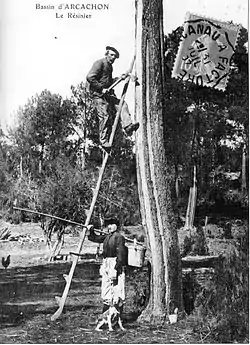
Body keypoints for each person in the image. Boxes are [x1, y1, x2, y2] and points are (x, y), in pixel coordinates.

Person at [86, 46, 139, 153]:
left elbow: (109, 83)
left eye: (115, 56)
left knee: (122, 104)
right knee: (104, 116)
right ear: (106, 54)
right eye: (111, 55)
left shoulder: (109, 67)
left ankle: (128, 126)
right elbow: (90, 77)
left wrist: (120, 78)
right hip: (98, 95)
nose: (113, 57)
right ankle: (103, 141)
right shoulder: (99, 63)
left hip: (107, 95)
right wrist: (101, 88)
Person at [87, 217, 128, 315]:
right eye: (108, 225)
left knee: (117, 288)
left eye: (111, 224)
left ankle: (117, 315)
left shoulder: (119, 237)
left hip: (115, 263)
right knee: (106, 288)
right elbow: (95, 238)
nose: (109, 227)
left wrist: (117, 267)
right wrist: (90, 230)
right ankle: (106, 314)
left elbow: (121, 253)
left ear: (116, 226)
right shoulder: (107, 236)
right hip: (107, 263)